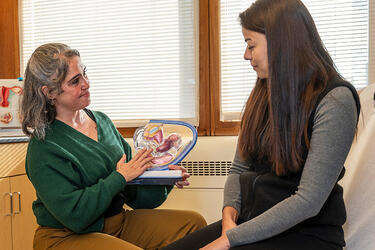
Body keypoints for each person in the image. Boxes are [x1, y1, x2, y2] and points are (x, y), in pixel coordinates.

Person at [162, 0, 361, 249]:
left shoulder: (335, 99)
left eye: (250, 45)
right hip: (252, 223)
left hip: (306, 234)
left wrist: (229, 240)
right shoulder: (263, 93)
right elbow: (239, 168)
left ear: (281, 42)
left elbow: (308, 201)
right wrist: (228, 220)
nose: (246, 55)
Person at [21, 43, 206, 250]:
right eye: (75, 81)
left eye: (84, 74)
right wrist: (119, 177)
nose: (86, 83)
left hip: (116, 223)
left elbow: (135, 195)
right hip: (66, 235)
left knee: (194, 225)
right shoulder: (44, 147)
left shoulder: (102, 121)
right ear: (50, 92)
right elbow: (76, 216)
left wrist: (164, 178)